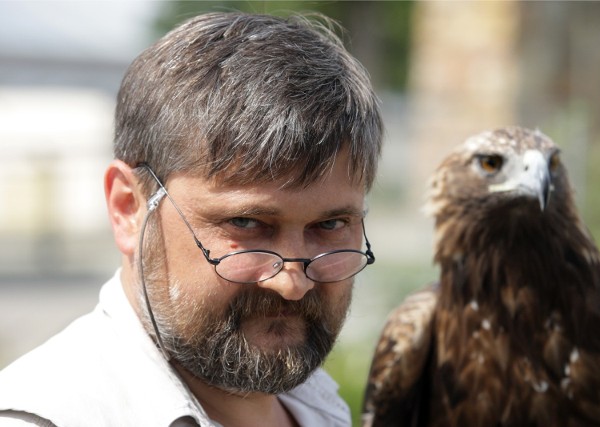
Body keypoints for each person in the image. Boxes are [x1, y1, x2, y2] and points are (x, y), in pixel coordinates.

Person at [0, 11, 382, 427]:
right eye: (247, 223)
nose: (292, 282)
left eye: (329, 226)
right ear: (128, 207)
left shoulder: (321, 406)